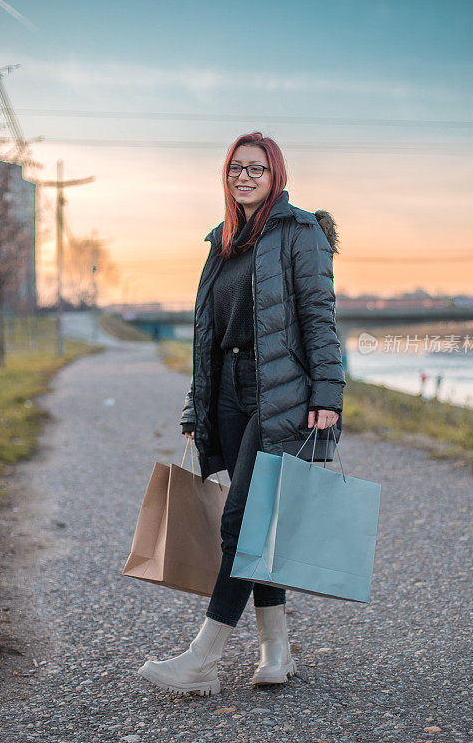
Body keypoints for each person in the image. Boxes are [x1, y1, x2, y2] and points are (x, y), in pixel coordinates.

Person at [138, 132, 346, 696]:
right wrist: (195, 403)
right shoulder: (222, 241)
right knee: (259, 524)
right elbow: (209, 332)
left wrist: (327, 393)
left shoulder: (301, 233)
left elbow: (319, 316)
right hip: (227, 391)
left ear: (275, 173)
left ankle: (202, 658)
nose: (244, 176)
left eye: (256, 168)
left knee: (243, 525)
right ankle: (276, 648)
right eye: (235, 168)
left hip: (278, 392)